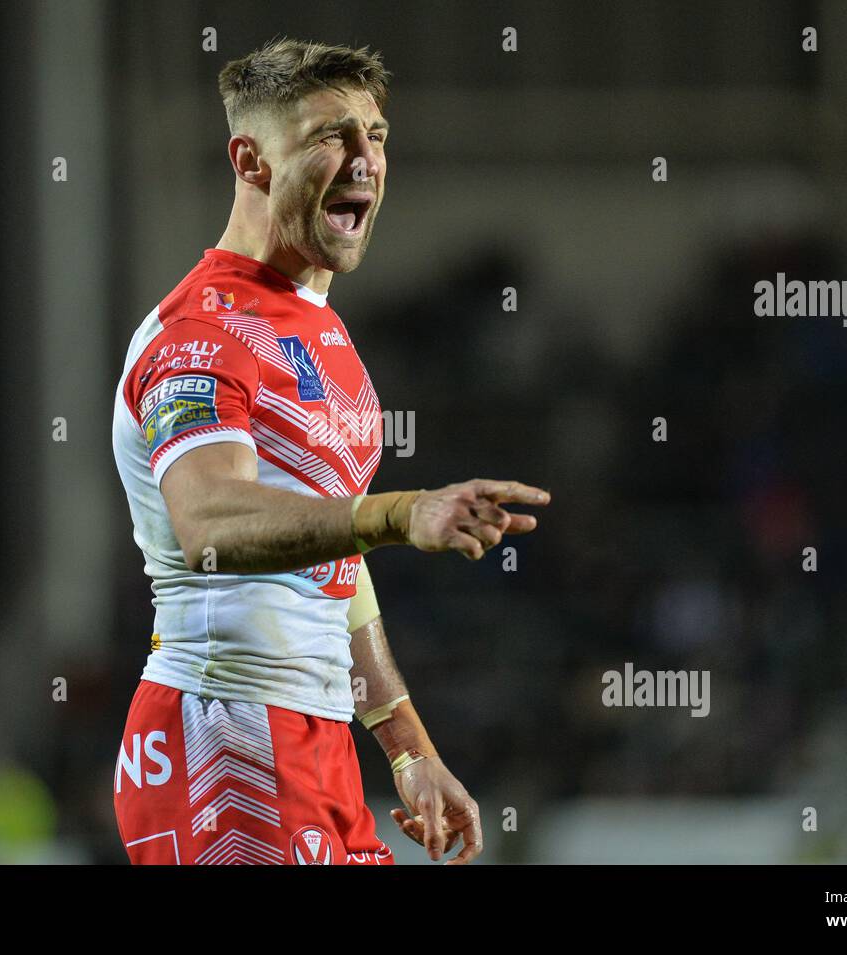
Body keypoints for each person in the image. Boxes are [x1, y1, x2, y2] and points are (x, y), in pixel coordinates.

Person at [111, 37, 549, 865]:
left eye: (375, 136)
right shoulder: (198, 335)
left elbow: (331, 555)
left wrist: (407, 743)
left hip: (315, 742)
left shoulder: (320, 327)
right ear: (250, 159)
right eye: (329, 136)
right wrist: (400, 511)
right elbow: (210, 522)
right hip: (223, 734)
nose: (364, 160)